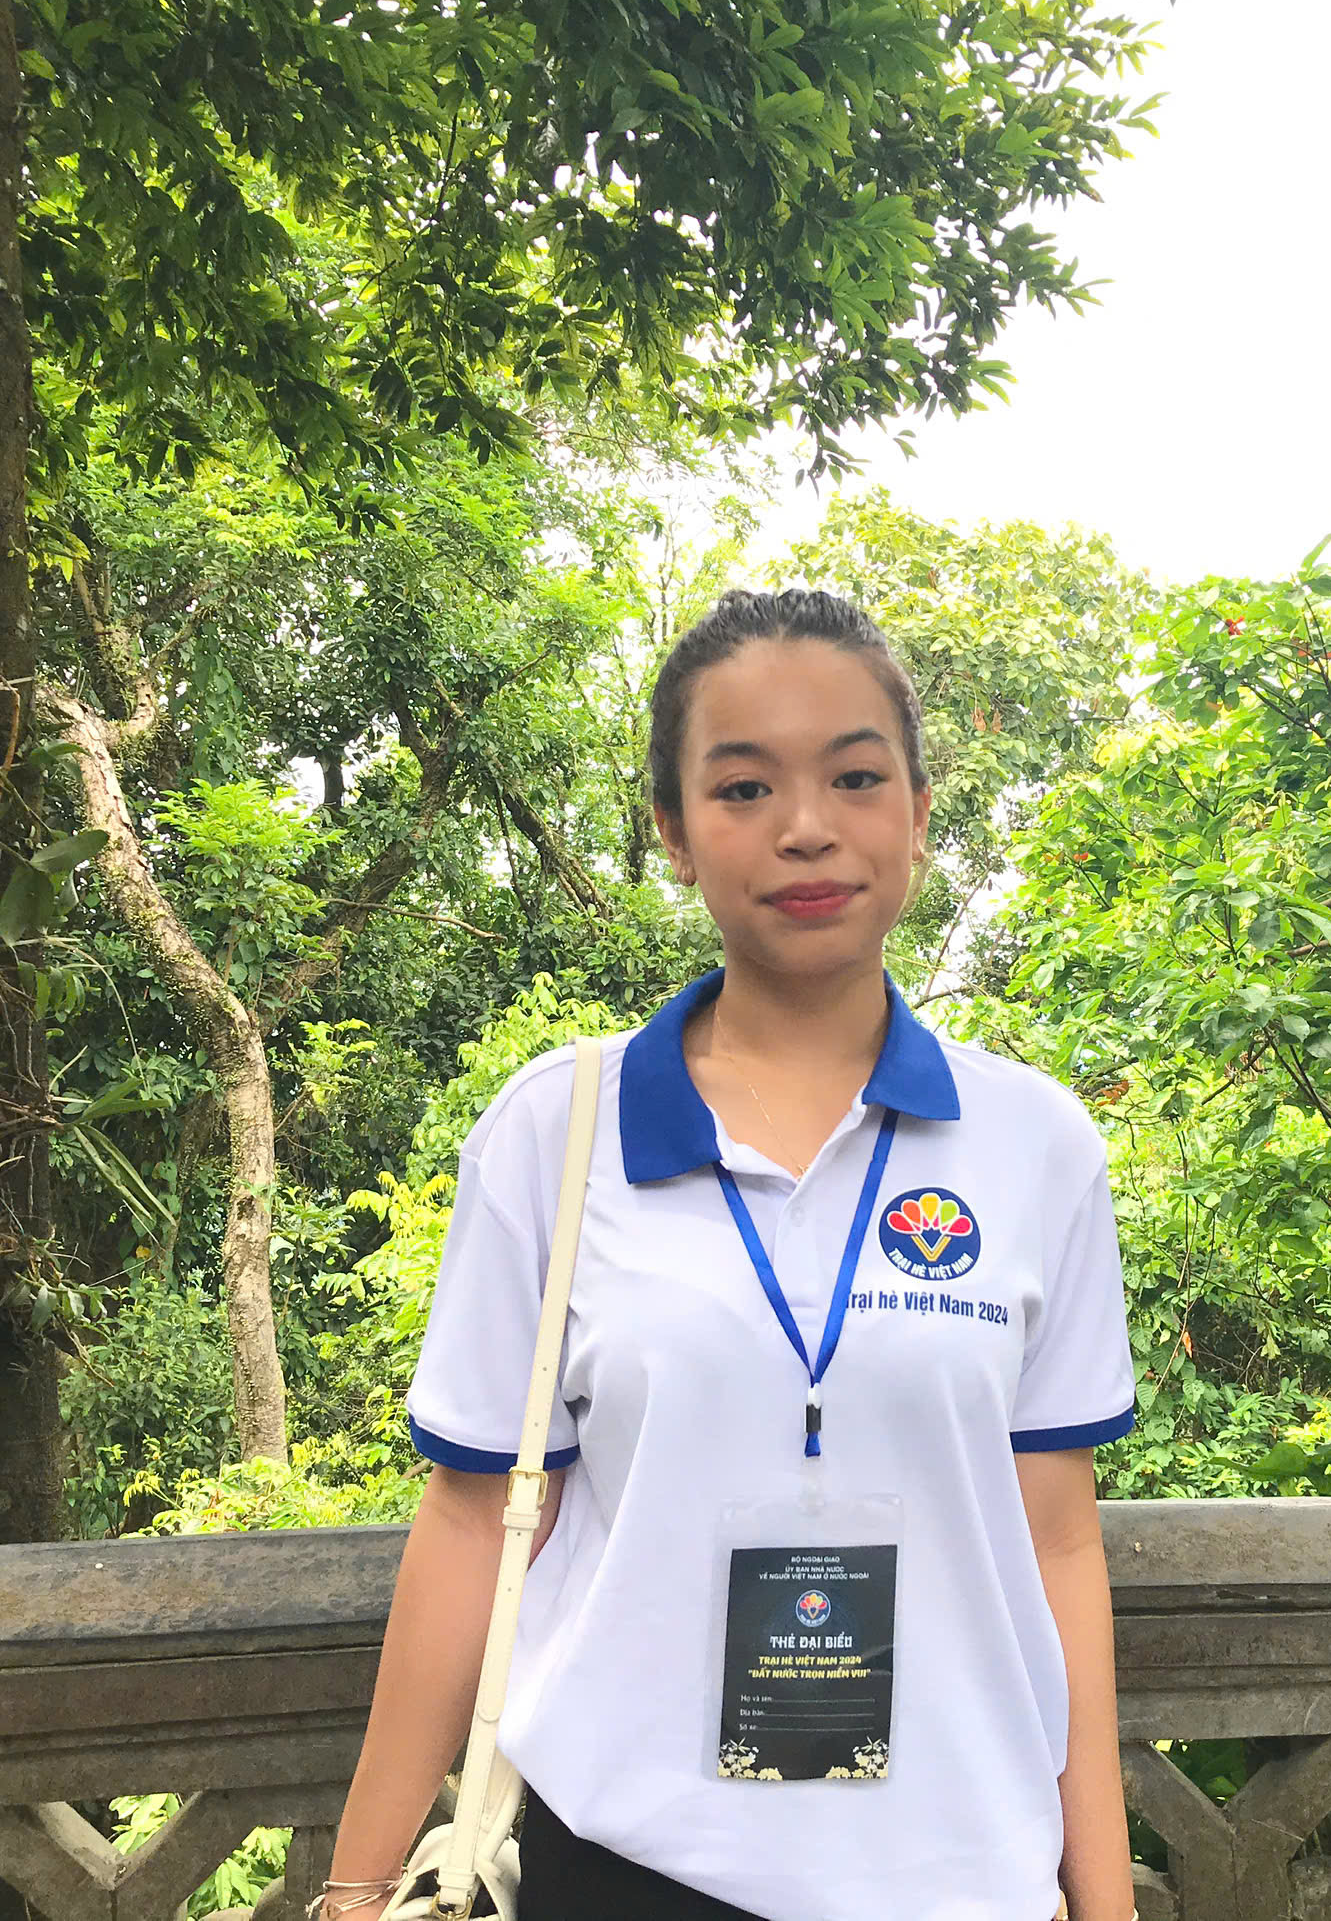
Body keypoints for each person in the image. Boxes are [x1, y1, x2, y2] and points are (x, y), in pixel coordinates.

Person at [321, 589, 1139, 1921]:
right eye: (744, 786)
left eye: (856, 776)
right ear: (675, 833)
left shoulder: (1034, 1146)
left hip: (959, 1877)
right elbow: (471, 1522)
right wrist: (357, 1888)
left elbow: (1059, 1545)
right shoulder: (556, 1131)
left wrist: (1103, 1903)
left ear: (919, 814)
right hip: (631, 1870)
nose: (806, 825)